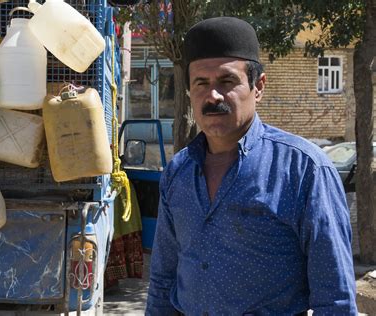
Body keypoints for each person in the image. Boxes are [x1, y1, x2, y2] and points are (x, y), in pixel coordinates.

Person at [145, 16, 357, 315]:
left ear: (258, 86)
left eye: (227, 81)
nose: (213, 95)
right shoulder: (178, 170)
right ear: (190, 91)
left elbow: (335, 296)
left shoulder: (304, 170)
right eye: (201, 83)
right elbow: (163, 279)